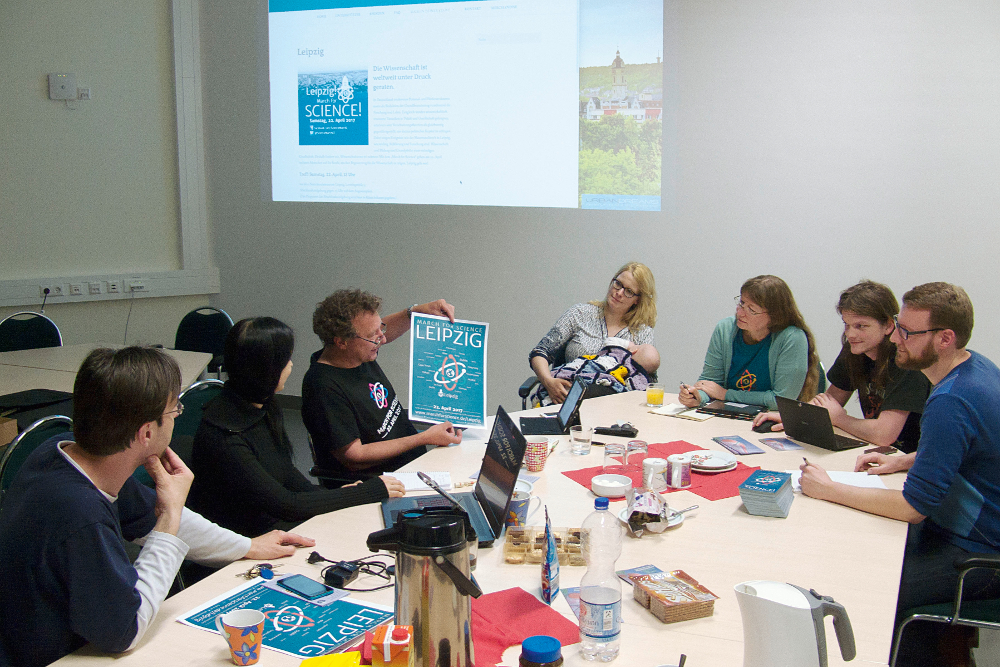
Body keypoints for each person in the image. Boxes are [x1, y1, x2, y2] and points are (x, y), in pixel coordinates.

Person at [0, 347, 314, 667]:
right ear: (147, 432)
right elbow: (124, 631)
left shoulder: (61, 450)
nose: (178, 415)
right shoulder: (81, 515)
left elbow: (147, 514)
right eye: (174, 409)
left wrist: (248, 545)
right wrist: (170, 517)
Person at [799, 283, 1000, 667]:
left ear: (945, 338)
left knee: (866, 588)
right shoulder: (976, 367)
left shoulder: (951, 399)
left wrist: (829, 488)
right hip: (968, 531)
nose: (897, 337)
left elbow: (912, 508)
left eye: (907, 331)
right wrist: (910, 460)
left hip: (981, 553)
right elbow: (977, 451)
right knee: (856, 547)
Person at [188, 317, 406, 537]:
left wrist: (333, 496)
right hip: (247, 539)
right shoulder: (224, 434)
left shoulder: (261, 403)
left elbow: (284, 472)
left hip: (271, 525)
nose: (291, 365)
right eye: (286, 359)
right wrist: (369, 490)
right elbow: (287, 505)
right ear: (266, 368)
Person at [302, 290, 463, 481]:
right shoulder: (322, 388)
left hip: (412, 462)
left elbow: (378, 332)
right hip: (383, 480)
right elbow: (355, 456)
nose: (383, 338)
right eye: (374, 336)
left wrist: (415, 312)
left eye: (381, 328)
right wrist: (424, 438)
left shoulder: (355, 352)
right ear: (341, 342)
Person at [752, 280, 930, 453]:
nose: (851, 334)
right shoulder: (855, 350)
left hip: (910, 459)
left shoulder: (906, 360)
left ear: (889, 326)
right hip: (878, 452)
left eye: (861, 326)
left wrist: (840, 418)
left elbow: (883, 435)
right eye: (847, 324)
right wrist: (793, 417)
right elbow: (829, 403)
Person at [679, 275, 820, 410]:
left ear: (775, 316)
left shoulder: (792, 338)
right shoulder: (725, 329)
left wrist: (726, 394)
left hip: (772, 419)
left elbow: (781, 400)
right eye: (741, 303)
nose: (740, 313)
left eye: (751, 309)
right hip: (728, 414)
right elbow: (710, 383)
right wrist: (697, 397)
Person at [529, 261, 660, 404]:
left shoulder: (641, 332)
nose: (619, 293)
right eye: (618, 284)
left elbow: (646, 380)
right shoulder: (579, 314)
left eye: (629, 291)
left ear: (637, 300)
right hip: (566, 399)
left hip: (614, 406)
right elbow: (540, 352)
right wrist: (548, 382)